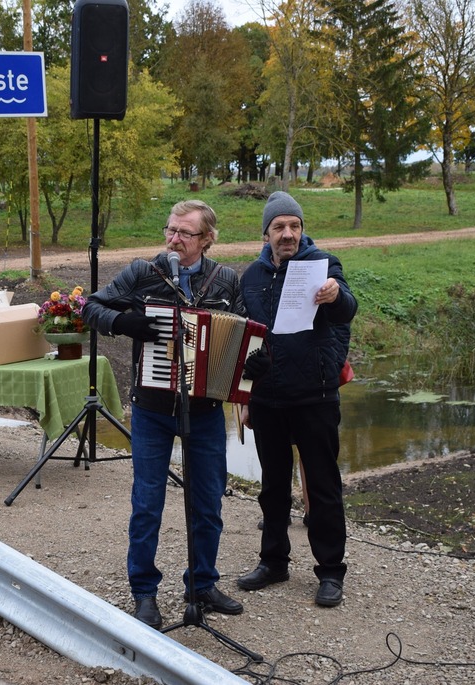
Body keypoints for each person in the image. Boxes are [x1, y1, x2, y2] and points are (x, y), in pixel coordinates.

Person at [83, 199, 249, 630]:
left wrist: (253, 365)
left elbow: (244, 334)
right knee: (147, 503)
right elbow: (91, 308)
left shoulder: (226, 280)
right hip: (153, 409)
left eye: (185, 233)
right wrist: (125, 325)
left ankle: (202, 584)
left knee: (209, 501)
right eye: (170, 230)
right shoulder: (143, 273)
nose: (174, 240)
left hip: (206, 408)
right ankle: (144, 593)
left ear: (207, 239)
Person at [236, 191, 357, 608]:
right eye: (279, 227)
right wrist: (247, 385)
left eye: (295, 226)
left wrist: (335, 296)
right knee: (271, 487)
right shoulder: (250, 276)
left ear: (302, 230)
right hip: (269, 398)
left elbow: (346, 313)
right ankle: (273, 561)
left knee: (323, 487)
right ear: (266, 233)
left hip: (315, 396)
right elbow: (243, 334)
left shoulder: (323, 266)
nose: (288, 234)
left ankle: (330, 572)